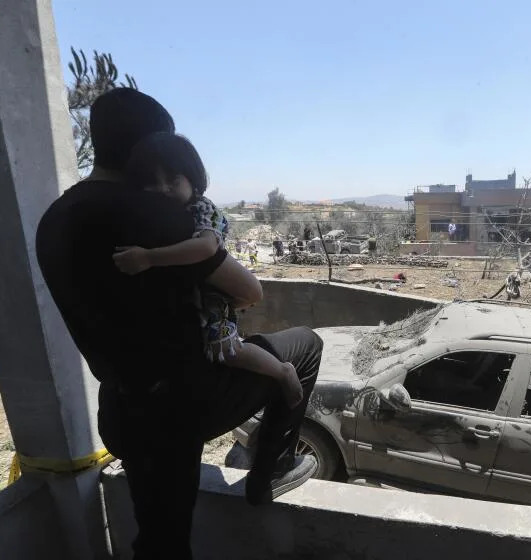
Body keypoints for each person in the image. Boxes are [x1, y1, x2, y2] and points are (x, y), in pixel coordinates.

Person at [35, 88, 322, 559]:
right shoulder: (151, 215)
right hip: (186, 401)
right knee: (304, 346)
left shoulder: (56, 218)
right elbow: (249, 291)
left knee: (160, 541)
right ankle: (272, 469)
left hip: (124, 409)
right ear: (145, 149)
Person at [112, 133, 302, 408]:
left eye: (173, 180)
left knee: (228, 350)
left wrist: (149, 258)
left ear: (193, 179)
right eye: (153, 183)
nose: (164, 189)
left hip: (214, 294)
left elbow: (206, 248)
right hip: (199, 292)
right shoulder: (172, 211)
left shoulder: (203, 209)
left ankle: (282, 371)